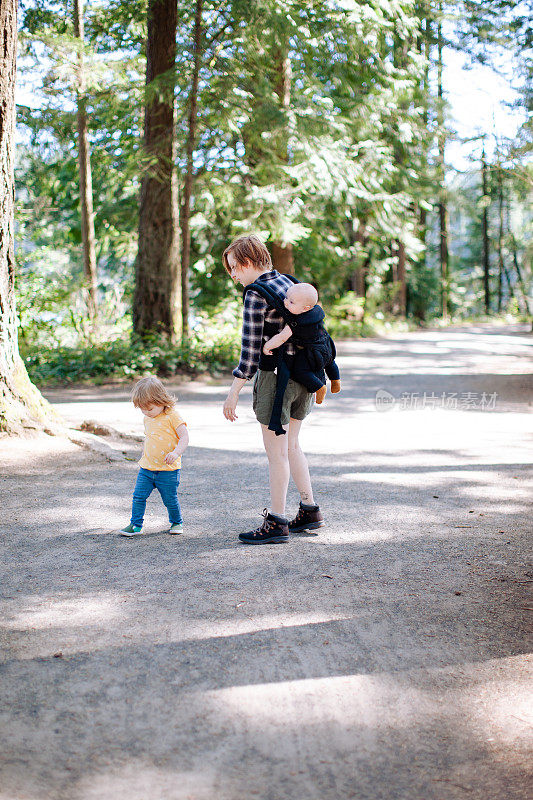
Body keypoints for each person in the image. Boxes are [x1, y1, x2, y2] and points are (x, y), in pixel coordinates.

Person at [222, 234, 325, 545]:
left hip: (276, 381)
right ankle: (309, 510)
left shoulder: (256, 294)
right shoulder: (287, 283)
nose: (233, 275)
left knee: (276, 454)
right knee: (292, 446)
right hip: (304, 377)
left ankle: (277, 521)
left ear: (248, 263)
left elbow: (251, 350)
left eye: (233, 268)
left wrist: (234, 391)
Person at [119, 376, 189, 537]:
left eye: (149, 409)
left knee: (169, 499)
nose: (146, 413)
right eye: (142, 409)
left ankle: (177, 522)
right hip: (147, 468)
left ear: (161, 400)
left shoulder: (173, 416)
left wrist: (176, 452)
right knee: (138, 496)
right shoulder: (147, 418)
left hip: (168, 470)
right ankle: (136, 524)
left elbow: (185, 437)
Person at [262, 281, 341, 410]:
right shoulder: (317, 312)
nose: (286, 302)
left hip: (313, 352)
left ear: (305, 308)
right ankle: (336, 381)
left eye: (291, 302)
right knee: (330, 362)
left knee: (300, 370)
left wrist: (267, 346)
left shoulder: (296, 323)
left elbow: (281, 338)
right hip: (327, 344)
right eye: (286, 298)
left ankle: (319, 387)